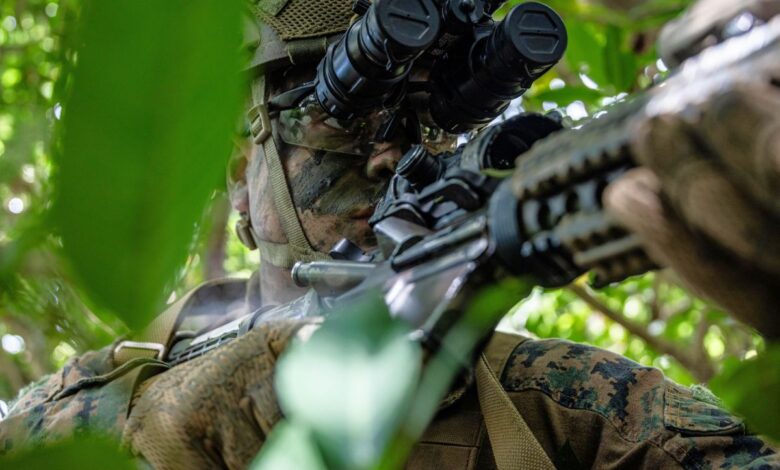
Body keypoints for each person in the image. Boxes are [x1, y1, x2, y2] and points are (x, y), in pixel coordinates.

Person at [2, 0, 779, 468]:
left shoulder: (566, 405)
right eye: (341, 120)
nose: (391, 155)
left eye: (426, 126)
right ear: (240, 170)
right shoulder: (87, 401)